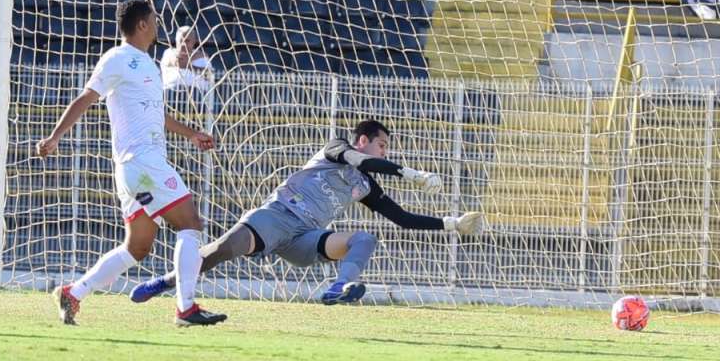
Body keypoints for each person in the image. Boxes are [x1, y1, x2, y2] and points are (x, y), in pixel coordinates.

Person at [131, 119, 485, 306]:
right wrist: (406, 173)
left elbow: (402, 218)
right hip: (278, 215)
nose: (383, 150)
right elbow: (359, 160)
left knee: (364, 238)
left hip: (306, 238)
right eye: (382, 143)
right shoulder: (338, 148)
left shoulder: (364, 186)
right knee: (222, 251)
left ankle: (339, 286)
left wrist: (452, 223)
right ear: (363, 139)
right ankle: (166, 282)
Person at [36, 0, 227, 327]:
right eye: (153, 20)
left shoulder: (148, 64)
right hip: (143, 162)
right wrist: (55, 137)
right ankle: (185, 307)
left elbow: (156, 114)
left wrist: (191, 133)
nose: (157, 26)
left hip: (134, 168)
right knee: (190, 224)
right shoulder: (117, 58)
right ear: (141, 25)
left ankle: (73, 292)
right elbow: (86, 96)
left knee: (137, 247)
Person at [160, 25, 212, 93]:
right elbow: (176, 62)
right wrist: (191, 58)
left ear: (194, 41)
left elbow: (210, 77)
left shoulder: (203, 57)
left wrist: (190, 66)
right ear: (176, 40)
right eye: (181, 40)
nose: (183, 44)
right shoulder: (169, 53)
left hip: (196, 93)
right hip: (171, 92)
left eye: (187, 41)